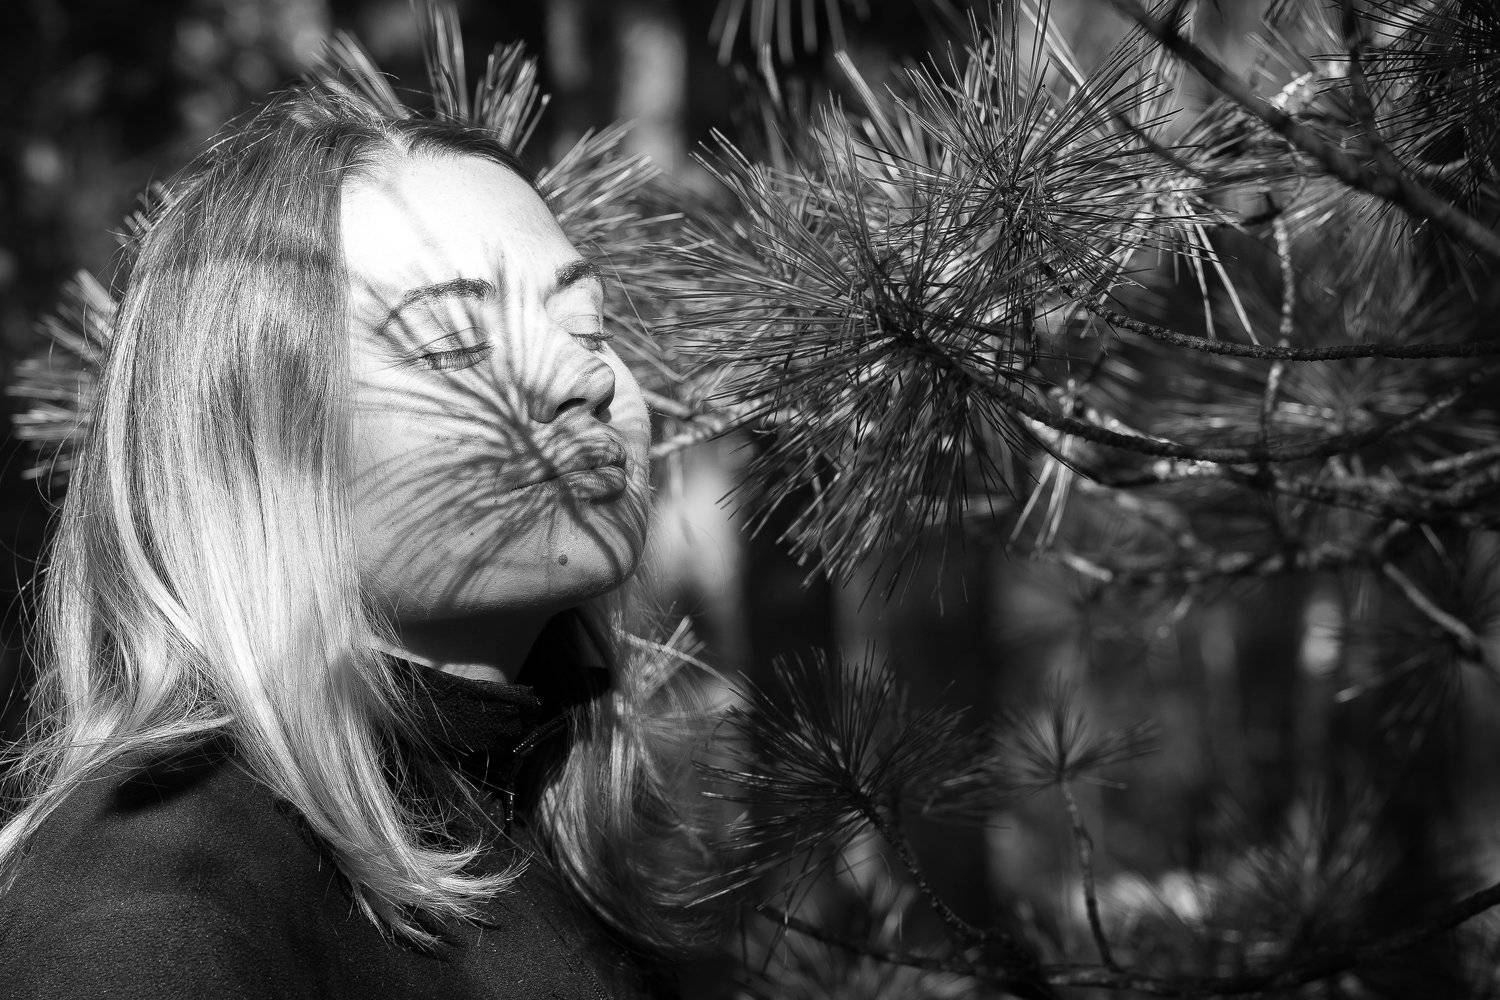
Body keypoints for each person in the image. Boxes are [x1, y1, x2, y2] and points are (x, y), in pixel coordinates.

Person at [0, 79, 713, 999]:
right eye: (454, 341)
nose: (583, 373)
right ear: (253, 443)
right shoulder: (149, 901)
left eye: (587, 322)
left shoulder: (558, 830)